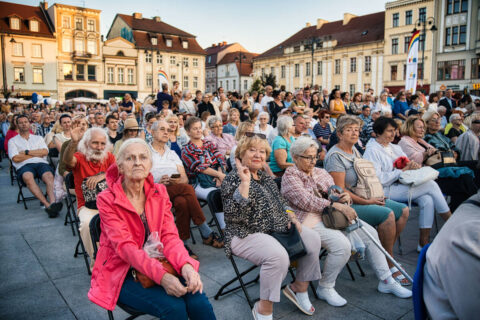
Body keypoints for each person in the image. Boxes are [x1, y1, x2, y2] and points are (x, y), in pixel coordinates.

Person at [88, 138, 216, 320]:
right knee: (174, 308)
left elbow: (170, 236)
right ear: (120, 166)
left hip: (160, 261)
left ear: (150, 165)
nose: (138, 162)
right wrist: (162, 277)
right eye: (130, 158)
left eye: (143, 157)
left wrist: (186, 265)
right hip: (123, 271)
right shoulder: (107, 199)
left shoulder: (159, 192)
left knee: (199, 302)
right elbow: (126, 248)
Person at [282, 137, 412, 306]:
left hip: (332, 216)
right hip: (307, 219)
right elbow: (306, 201)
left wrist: (343, 197)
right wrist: (336, 204)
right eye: (308, 157)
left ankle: (386, 280)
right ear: (295, 157)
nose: (313, 161)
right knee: (341, 245)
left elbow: (333, 190)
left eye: (315, 156)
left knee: (371, 234)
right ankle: (325, 287)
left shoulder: (320, 172)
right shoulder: (290, 176)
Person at [221, 134, 321, 319]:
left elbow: (282, 202)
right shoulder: (233, 179)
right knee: (277, 256)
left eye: (262, 151)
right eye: (252, 150)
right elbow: (235, 217)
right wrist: (245, 184)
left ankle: (299, 288)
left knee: (313, 240)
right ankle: (263, 308)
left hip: (277, 229)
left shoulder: (266, 179)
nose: (258, 155)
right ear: (240, 155)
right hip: (244, 233)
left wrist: (292, 216)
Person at [324, 115, 409, 284]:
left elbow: (365, 179)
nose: (354, 133)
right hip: (348, 204)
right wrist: (368, 202)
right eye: (349, 130)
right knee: (388, 215)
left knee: (404, 210)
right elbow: (341, 192)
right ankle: (389, 262)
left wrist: (375, 193)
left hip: (364, 195)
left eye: (357, 130)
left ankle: (384, 252)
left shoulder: (354, 150)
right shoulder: (335, 157)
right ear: (339, 134)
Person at [363, 117, 451, 251]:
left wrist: (413, 165)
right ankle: (452, 224)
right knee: (431, 186)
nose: (393, 134)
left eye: (395, 130)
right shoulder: (372, 150)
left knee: (427, 199)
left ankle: (423, 242)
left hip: (401, 184)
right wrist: (401, 171)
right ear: (378, 132)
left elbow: (407, 163)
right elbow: (378, 179)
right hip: (384, 190)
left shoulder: (394, 147)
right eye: (389, 131)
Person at [150, 121, 222, 254]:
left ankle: (183, 244)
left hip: (174, 189)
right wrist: (158, 181)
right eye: (162, 129)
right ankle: (205, 231)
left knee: (181, 202)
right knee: (188, 189)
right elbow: (142, 178)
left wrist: (176, 180)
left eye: (169, 130)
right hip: (154, 191)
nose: (167, 132)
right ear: (152, 132)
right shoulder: (146, 153)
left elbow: (185, 178)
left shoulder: (172, 153)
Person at [398, 116, 477, 211]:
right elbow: (412, 160)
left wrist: (452, 152)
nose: (423, 130)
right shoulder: (404, 142)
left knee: (474, 168)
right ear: (410, 127)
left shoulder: (420, 141)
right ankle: (473, 208)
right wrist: (426, 154)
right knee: (464, 178)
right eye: (419, 127)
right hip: (427, 176)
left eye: (423, 127)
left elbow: (445, 148)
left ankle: (466, 210)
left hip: (439, 168)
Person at [423, 190, 480, 319]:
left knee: (428, 198)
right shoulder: (472, 235)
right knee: (430, 191)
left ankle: (425, 240)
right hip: (392, 187)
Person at [64, 127, 116, 265]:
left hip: (111, 204)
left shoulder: (109, 157)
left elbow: (119, 171)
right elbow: (67, 162)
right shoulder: (79, 157)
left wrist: (103, 175)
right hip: (88, 206)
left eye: (102, 144)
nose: (99, 147)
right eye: (95, 143)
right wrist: (73, 142)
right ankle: (97, 264)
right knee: (88, 224)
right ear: (86, 143)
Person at [8, 115, 61, 217]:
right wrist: (37, 153)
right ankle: (47, 205)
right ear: (17, 125)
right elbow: (15, 158)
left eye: (26, 122)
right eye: (21, 122)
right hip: (24, 165)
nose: (24, 124)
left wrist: (26, 153)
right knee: (28, 177)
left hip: (41, 163)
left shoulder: (38, 138)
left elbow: (45, 151)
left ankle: (53, 203)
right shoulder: (13, 141)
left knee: (49, 176)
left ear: (29, 123)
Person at [181, 116, 226, 230]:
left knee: (236, 190)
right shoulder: (186, 149)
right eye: (195, 128)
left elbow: (220, 158)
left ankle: (238, 225)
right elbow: (200, 167)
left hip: (216, 178)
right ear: (188, 131)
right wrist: (219, 175)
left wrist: (220, 174)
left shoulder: (208, 144)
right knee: (216, 194)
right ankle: (224, 229)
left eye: (200, 128)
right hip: (198, 183)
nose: (198, 131)